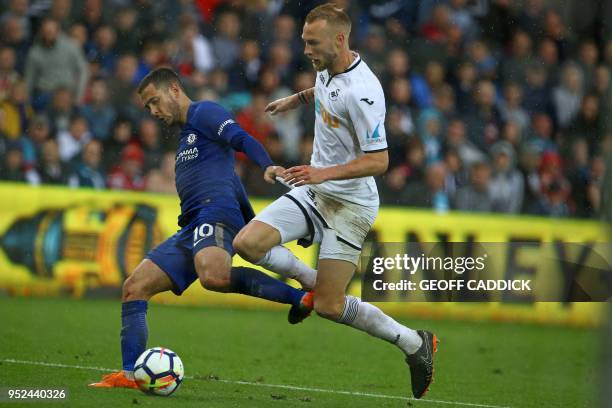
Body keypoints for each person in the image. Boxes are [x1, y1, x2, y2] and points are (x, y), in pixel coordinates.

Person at [232, 4, 438, 400]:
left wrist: (322, 173)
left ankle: (414, 343)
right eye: (304, 41)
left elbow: (380, 161)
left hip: (350, 205)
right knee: (247, 244)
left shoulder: (365, 93)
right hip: (315, 191)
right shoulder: (326, 64)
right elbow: (325, 89)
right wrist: (296, 100)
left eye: (312, 42)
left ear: (339, 40)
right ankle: (310, 282)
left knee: (329, 306)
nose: (306, 49)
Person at [90, 67, 316, 389]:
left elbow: (242, 138)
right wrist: (252, 223)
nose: (153, 112)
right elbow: (233, 183)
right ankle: (129, 375)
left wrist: (267, 165)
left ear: (175, 90)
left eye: (155, 101)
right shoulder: (185, 140)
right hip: (192, 227)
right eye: (147, 108)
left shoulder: (204, 112)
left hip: (215, 214)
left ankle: (299, 298)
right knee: (134, 287)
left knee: (213, 275)